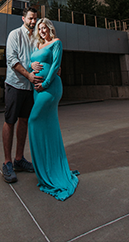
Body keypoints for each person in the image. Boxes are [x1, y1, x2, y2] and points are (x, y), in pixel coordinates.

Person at [27, 18, 79, 200]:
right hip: (37, 90)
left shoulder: (56, 43)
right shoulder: (38, 47)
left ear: (50, 28)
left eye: (44, 28)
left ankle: (45, 169)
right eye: (39, 29)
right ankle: (47, 166)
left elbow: (56, 65)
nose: (42, 31)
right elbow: (30, 65)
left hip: (50, 88)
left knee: (33, 120)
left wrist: (45, 83)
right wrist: (30, 67)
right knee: (47, 126)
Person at [1, 8, 42, 183]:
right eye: (31, 18)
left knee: (24, 121)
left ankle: (19, 159)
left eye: (35, 19)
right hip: (15, 85)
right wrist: (29, 75)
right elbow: (12, 60)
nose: (33, 22)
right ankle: (7, 162)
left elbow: (41, 57)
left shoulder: (36, 38)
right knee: (10, 121)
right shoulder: (14, 35)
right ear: (23, 18)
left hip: (29, 88)